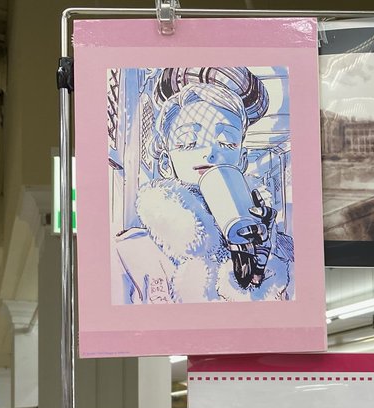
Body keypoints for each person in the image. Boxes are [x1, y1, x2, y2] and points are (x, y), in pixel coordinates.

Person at [115, 67, 293, 304]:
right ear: (166, 162)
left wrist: (261, 273)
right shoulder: (129, 254)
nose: (209, 152)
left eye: (226, 142)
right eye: (188, 141)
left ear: (242, 160)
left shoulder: (281, 252)